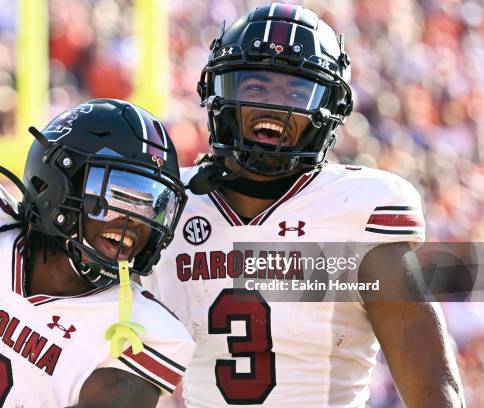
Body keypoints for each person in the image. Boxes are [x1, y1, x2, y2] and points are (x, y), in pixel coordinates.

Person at [142, 4, 464, 407]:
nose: (274, 106)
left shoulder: (359, 211)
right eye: (255, 86)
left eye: (297, 92)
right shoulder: (169, 202)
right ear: (217, 92)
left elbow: (433, 390)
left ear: (329, 112)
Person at [0, 99, 195, 407]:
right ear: (54, 182)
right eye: (118, 196)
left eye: (152, 205)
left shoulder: (138, 328)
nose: (135, 221)